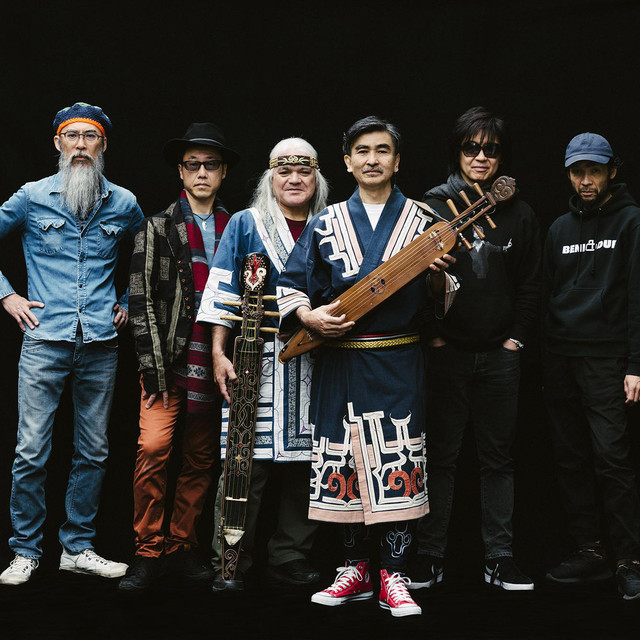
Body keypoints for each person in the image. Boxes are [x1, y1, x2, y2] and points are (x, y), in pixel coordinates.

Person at [277, 116, 455, 617]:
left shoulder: (424, 221)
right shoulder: (325, 222)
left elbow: (444, 302)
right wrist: (308, 316)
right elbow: (289, 284)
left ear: (397, 161)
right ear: (347, 162)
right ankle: (353, 570)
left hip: (399, 359)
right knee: (344, 463)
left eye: (382, 150)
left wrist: (438, 278)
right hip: (340, 361)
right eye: (362, 150)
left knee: (397, 461)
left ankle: (394, 575)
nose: (372, 159)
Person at [0, 102, 143, 585]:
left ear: (103, 145)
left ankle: (77, 547)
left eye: (90, 136)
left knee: (94, 450)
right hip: (45, 339)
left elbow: (148, 256)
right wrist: (7, 296)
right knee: (31, 450)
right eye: (72, 136)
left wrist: (126, 300)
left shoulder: (123, 202)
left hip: (100, 342)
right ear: (58, 143)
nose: (81, 144)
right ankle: (25, 551)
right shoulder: (32, 196)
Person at [408, 106, 541, 592]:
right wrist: (434, 336)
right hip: (447, 352)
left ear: (502, 157)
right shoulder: (431, 207)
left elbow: (532, 283)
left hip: (500, 356)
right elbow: (410, 280)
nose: (481, 157)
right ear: (457, 151)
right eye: (471, 147)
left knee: (498, 459)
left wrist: (514, 339)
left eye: (491, 149)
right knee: (440, 456)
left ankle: (499, 558)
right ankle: (429, 556)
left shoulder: (521, 213)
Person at [196, 137, 329, 591]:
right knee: (244, 461)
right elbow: (222, 292)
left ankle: (291, 555)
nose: (294, 180)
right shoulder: (245, 223)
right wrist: (219, 353)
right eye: (284, 172)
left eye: (304, 172)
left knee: (308, 462)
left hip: (315, 358)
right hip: (255, 357)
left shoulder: (330, 223)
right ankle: (230, 560)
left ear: (316, 178)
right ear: (270, 178)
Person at [119, 123, 239, 593]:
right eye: (193, 165)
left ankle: (182, 545)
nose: (202, 172)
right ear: (181, 172)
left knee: (201, 458)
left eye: (211, 165)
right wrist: (152, 369)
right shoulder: (157, 227)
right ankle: (147, 550)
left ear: (223, 172)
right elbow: (141, 298)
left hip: (216, 364)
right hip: (166, 363)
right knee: (153, 450)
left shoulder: (238, 228)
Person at [542, 132, 640, 600]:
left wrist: (635, 363)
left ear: (611, 172)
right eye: (578, 172)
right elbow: (548, 295)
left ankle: (629, 560)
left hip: (606, 358)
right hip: (561, 357)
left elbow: (638, 296)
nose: (586, 180)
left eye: (595, 171)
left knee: (612, 460)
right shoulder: (559, 228)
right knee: (570, 459)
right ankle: (591, 551)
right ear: (569, 174)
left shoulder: (632, 222)